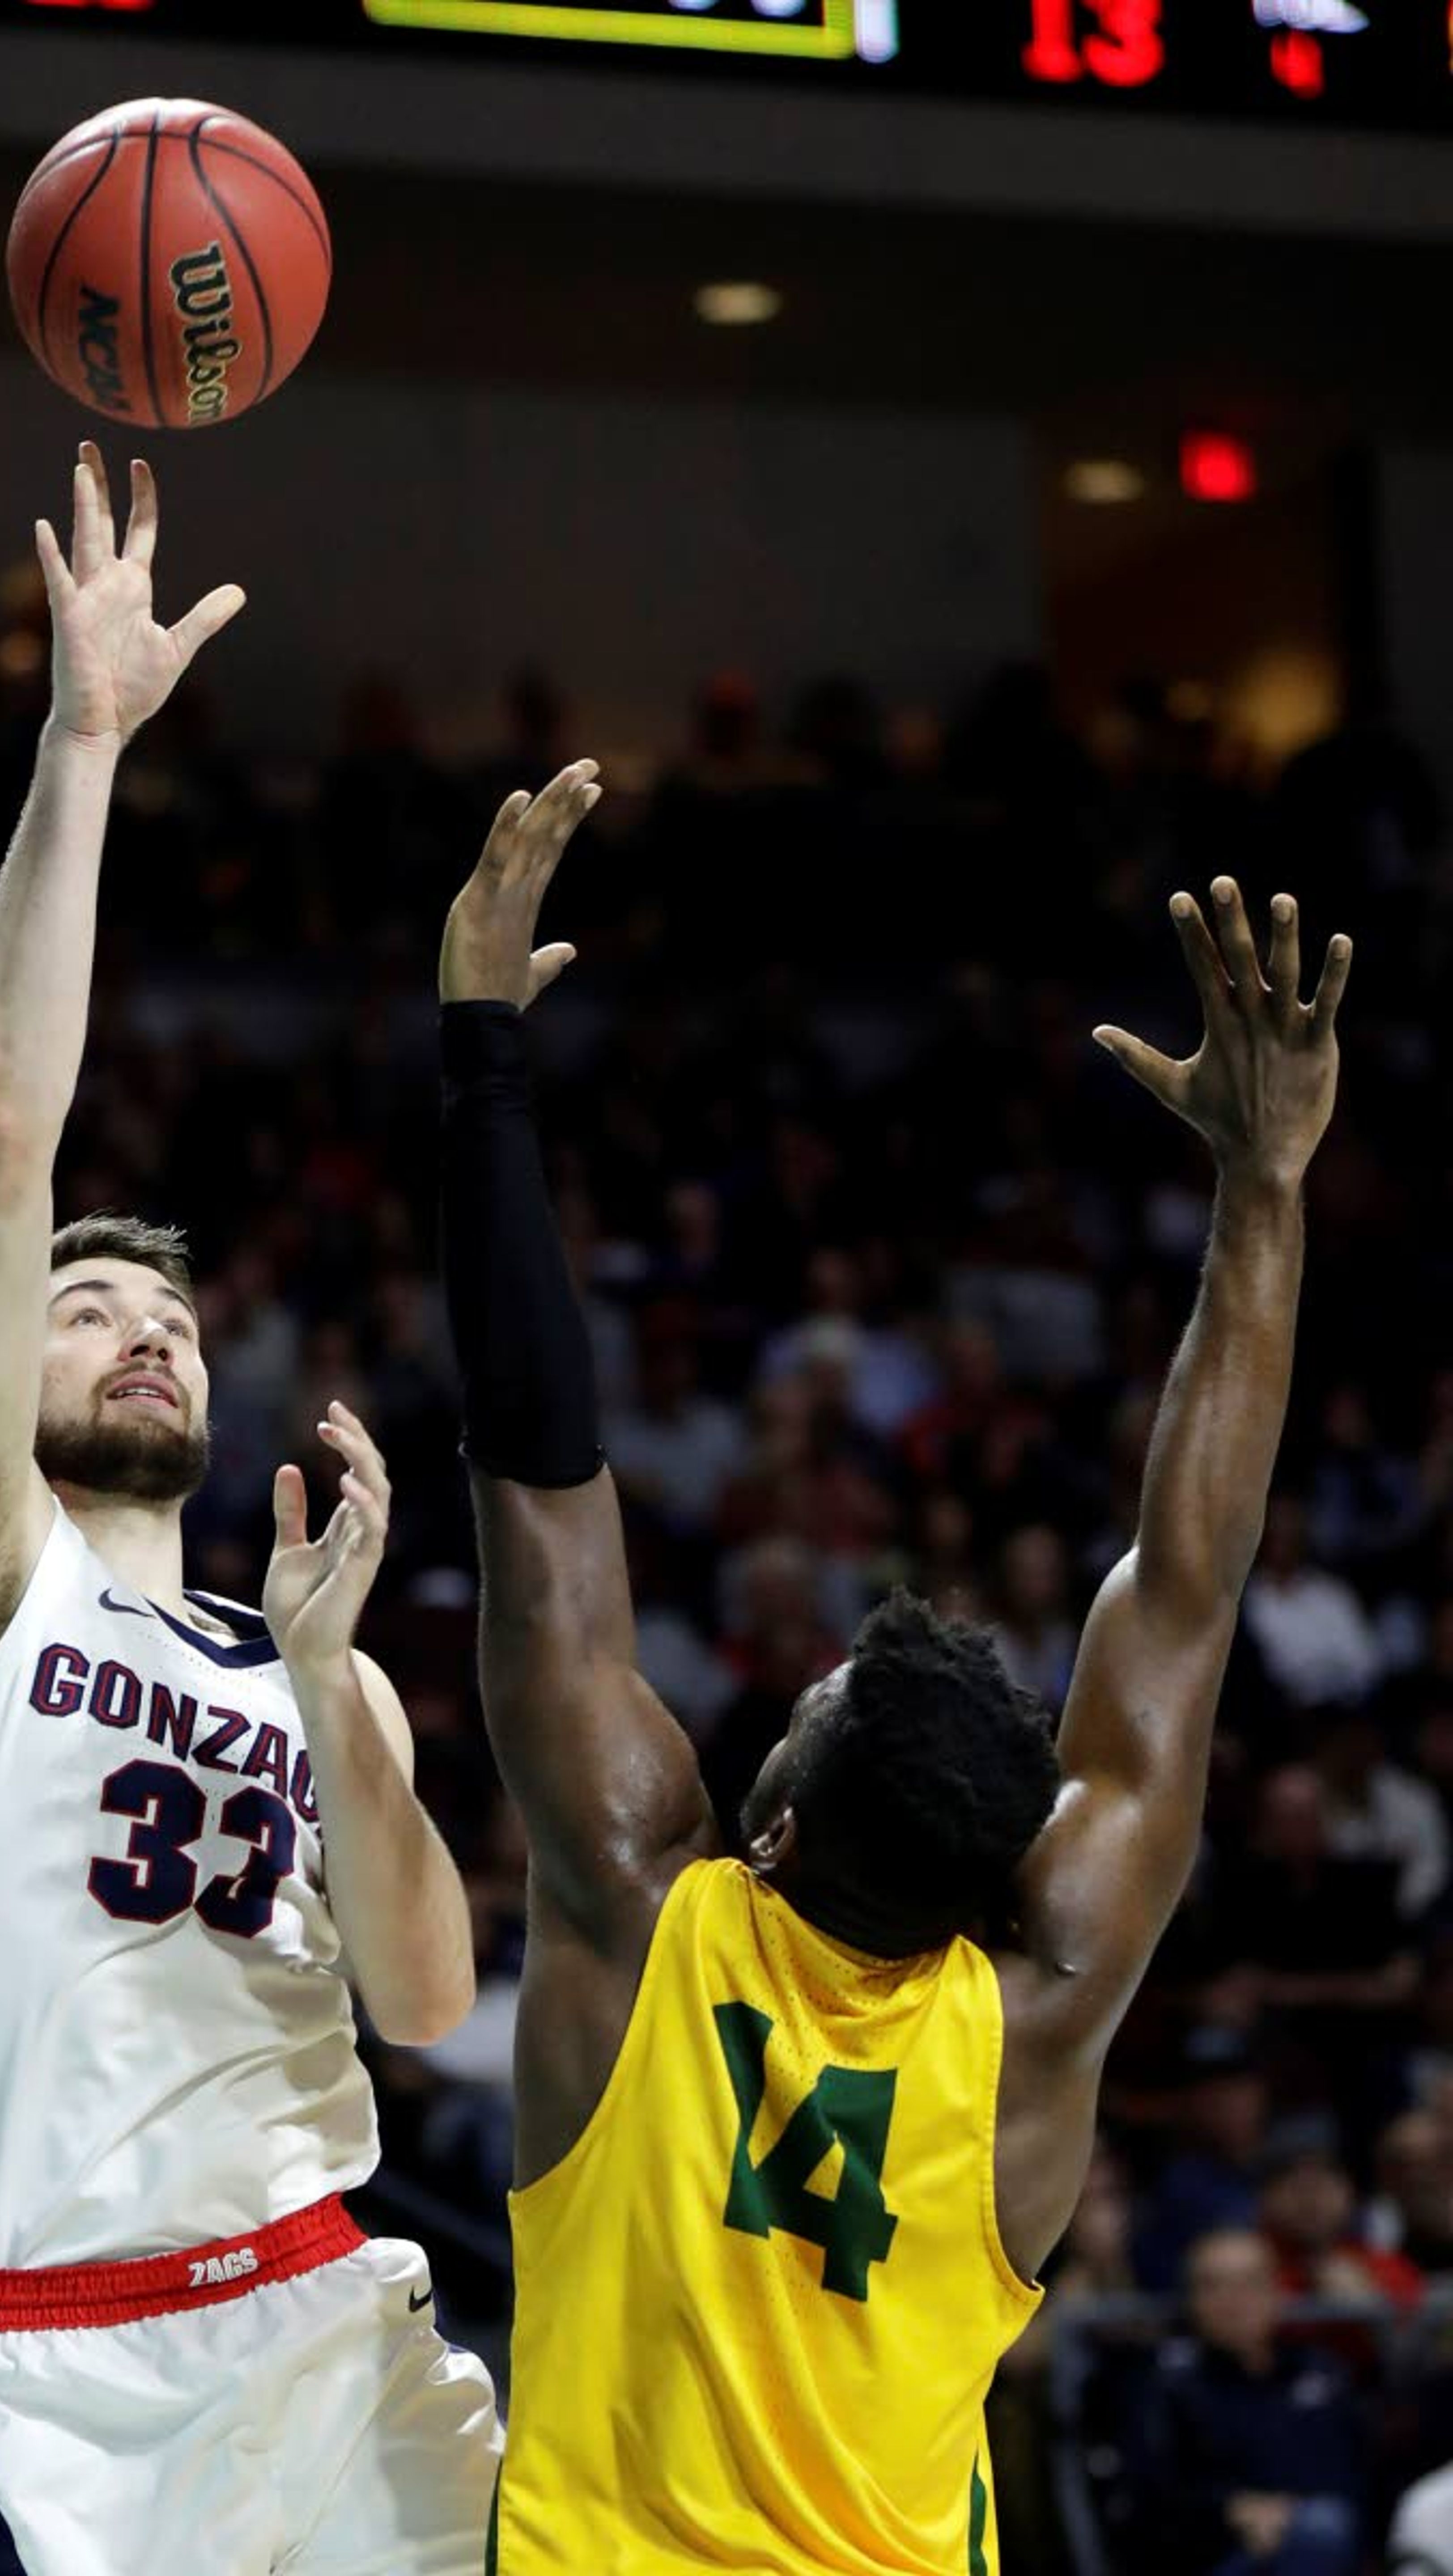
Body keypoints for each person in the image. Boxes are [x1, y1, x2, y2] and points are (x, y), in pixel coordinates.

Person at [435, 762, 1349, 2570]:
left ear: (769, 1830)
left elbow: (537, 1474)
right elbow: (1188, 1591)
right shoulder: (1034, 2019)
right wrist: (1267, 1190)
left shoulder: (641, 1911)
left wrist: (483, 1057)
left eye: (801, 1711)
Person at [0, 449, 499, 2573]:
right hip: (53, 2377)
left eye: (171, 1317)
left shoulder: (307, 1656)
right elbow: (0, 1128)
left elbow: (420, 1994)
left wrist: (333, 1698)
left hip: (323, 2321)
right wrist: (85, 744)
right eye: (86, 1304)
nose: (143, 1333)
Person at [1130, 2229, 1365, 2576]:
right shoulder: (1167, 2385)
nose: (1233, 2301)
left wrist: (1290, 2516)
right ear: (1191, 2299)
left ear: (1276, 2291)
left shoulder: (1321, 2374)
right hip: (1217, 2554)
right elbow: (1147, 2498)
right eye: (1213, 2286)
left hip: (1326, 2543)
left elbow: (1363, 2476)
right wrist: (1230, 2510)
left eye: (1249, 2283)